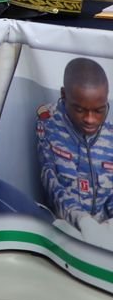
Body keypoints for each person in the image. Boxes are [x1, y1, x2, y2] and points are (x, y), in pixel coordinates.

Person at [35, 57, 113, 240]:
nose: (90, 119)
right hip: (65, 228)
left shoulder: (110, 136)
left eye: (99, 110)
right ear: (64, 95)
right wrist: (83, 221)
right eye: (80, 110)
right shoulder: (48, 125)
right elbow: (52, 183)